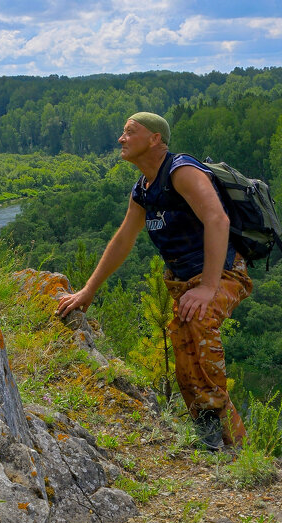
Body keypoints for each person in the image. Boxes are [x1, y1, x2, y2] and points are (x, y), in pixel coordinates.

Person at [56, 112, 252, 449]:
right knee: (187, 359)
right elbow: (122, 241)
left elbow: (217, 219)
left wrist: (207, 287)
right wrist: (89, 290)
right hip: (185, 283)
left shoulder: (181, 171)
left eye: (130, 132)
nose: (122, 139)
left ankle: (218, 441)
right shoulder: (144, 190)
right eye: (123, 132)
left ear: (155, 139)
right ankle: (228, 446)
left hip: (223, 274)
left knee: (200, 327)